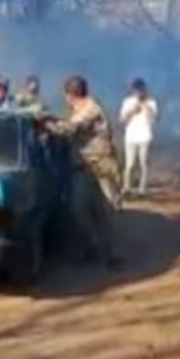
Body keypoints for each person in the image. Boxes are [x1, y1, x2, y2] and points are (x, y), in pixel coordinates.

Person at [41, 75, 122, 270]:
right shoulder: (80, 109)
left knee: (104, 213)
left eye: (66, 96)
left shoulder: (90, 109)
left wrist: (45, 125)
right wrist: (51, 119)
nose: (65, 101)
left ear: (71, 94)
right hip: (83, 168)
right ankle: (90, 249)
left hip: (101, 167)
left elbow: (69, 129)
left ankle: (109, 257)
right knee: (78, 211)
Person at [119, 78, 157, 196]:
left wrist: (145, 106)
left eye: (140, 90)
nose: (138, 93)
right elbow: (122, 120)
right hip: (130, 137)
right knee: (129, 164)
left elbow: (154, 119)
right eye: (136, 90)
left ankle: (142, 189)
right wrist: (132, 111)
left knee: (143, 164)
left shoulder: (151, 102)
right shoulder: (127, 102)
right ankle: (127, 188)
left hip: (145, 137)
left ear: (144, 90)